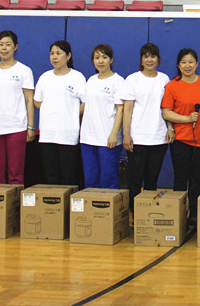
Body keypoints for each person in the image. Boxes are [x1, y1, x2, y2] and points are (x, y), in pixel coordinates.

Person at [161, 48, 200, 228]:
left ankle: (195, 216)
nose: (187, 66)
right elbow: (166, 112)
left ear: (197, 64)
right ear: (178, 65)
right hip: (180, 139)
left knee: (196, 179)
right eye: (183, 62)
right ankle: (179, 215)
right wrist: (187, 119)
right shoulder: (172, 86)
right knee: (181, 178)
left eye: (190, 62)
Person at [122, 43, 170, 206]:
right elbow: (127, 110)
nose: (149, 60)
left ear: (158, 59)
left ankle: (147, 213)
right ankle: (134, 212)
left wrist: (170, 128)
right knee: (136, 178)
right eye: (146, 56)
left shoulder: (164, 79)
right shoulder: (132, 79)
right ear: (141, 59)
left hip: (159, 137)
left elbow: (167, 108)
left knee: (152, 179)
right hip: (137, 138)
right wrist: (126, 134)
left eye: (153, 56)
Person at [0, 30, 35, 185]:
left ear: (15, 47)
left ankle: (15, 201)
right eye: (1, 44)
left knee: (16, 173)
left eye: (8, 44)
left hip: (16, 127)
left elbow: (29, 100)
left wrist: (30, 127)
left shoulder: (24, 70)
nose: (4, 48)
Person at [33, 40, 86, 186]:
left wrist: (72, 113)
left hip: (68, 134)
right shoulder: (45, 77)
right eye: (52, 54)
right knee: (51, 174)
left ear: (68, 56)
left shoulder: (77, 77)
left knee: (68, 175)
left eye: (58, 53)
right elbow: (37, 101)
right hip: (48, 133)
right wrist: (50, 109)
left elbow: (86, 102)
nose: (54, 57)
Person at [80, 44, 124, 189]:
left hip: (107, 138)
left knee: (108, 177)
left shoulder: (118, 81)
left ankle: (108, 204)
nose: (100, 61)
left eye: (104, 57)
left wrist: (114, 134)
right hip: (88, 137)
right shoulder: (91, 80)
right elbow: (85, 106)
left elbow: (121, 110)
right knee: (90, 177)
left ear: (111, 59)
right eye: (97, 57)